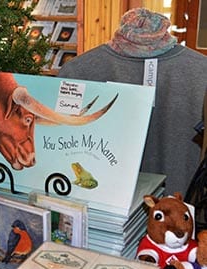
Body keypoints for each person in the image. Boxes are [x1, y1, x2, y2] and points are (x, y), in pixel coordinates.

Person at [58, 7, 207, 196]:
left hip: (100, 204)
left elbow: (58, 146)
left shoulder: (75, 71)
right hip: (182, 208)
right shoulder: (202, 71)